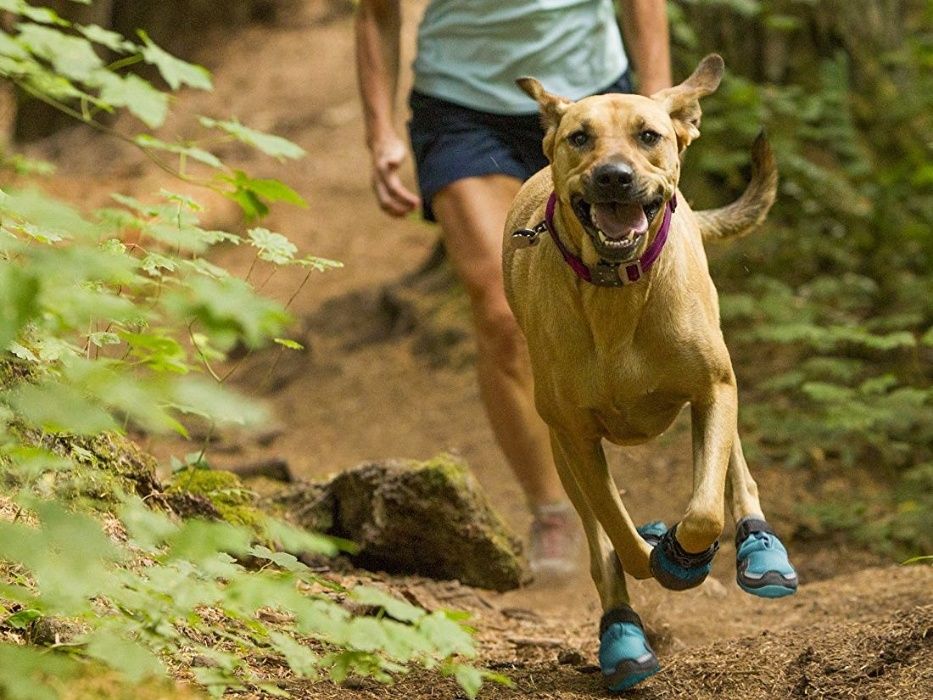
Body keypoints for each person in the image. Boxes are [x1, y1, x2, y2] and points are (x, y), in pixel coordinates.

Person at [355, 0, 671, 576]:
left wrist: (658, 111)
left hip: (601, 108)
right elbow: (377, 15)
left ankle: (617, 460)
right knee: (502, 313)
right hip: (463, 112)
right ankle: (552, 510)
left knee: (619, 295)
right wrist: (380, 134)